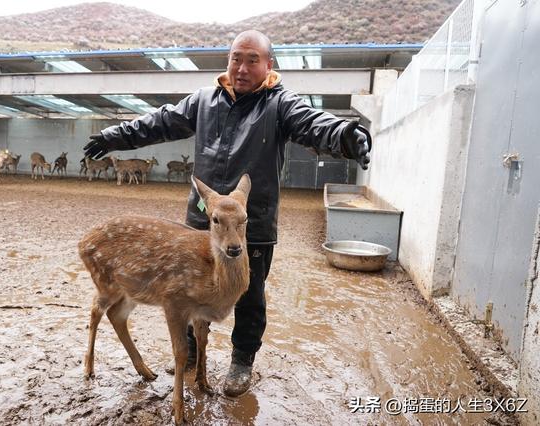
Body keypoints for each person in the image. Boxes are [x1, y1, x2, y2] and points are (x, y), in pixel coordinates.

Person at [83, 30, 371, 397]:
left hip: (253, 224)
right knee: (185, 290)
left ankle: (241, 361)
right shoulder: (204, 101)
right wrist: (114, 137)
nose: (242, 67)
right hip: (202, 222)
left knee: (249, 294)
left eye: (253, 60)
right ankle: (187, 356)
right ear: (228, 60)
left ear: (269, 65)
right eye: (237, 58)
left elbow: (314, 123)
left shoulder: (280, 104)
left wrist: (345, 136)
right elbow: (159, 122)